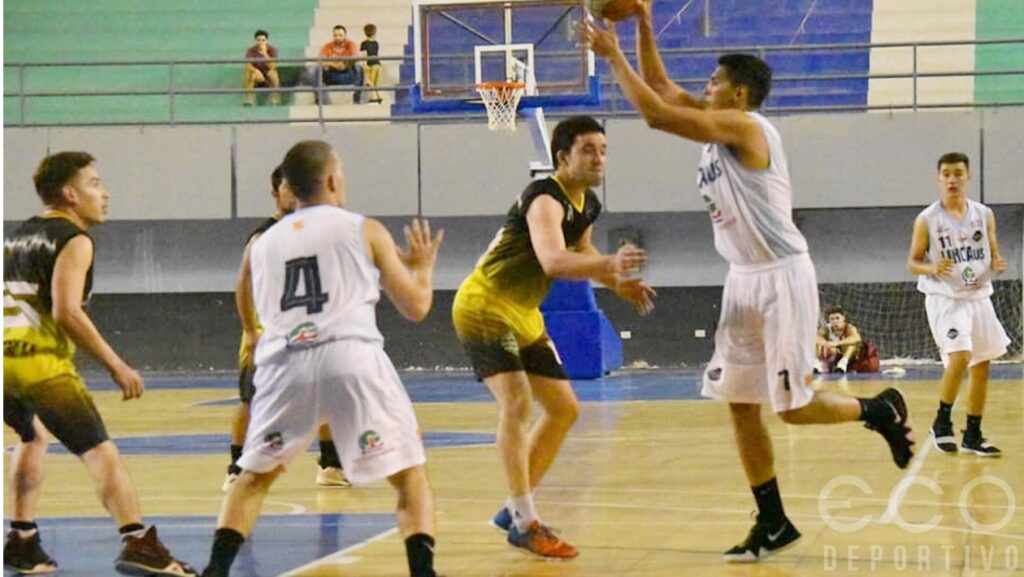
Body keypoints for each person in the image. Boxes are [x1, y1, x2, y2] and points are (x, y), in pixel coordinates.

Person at [582, 6, 915, 563]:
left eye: (714, 80)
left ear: (739, 93)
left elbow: (656, 116)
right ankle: (773, 520)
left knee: (790, 408)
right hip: (742, 278)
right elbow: (661, 88)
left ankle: (877, 409)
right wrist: (641, 19)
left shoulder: (747, 127)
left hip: (782, 276)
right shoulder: (718, 122)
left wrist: (612, 55)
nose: (705, 86)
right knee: (739, 403)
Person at [200, 140, 444, 577]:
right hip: (351, 356)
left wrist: (252, 333)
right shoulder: (364, 229)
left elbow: (248, 287)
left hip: (285, 361)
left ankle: (215, 571)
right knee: (410, 476)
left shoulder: (261, 243)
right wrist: (422, 268)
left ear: (290, 188)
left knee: (251, 479)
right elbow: (416, 307)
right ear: (332, 180)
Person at [452, 115, 656, 560]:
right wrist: (610, 265)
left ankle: (514, 505)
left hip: (524, 313)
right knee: (517, 403)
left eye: (603, 150)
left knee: (564, 409)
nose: (599, 158)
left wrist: (617, 282)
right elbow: (554, 261)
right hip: (485, 305)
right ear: (562, 157)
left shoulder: (588, 204)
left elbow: (581, 251)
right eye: (588, 150)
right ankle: (525, 522)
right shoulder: (545, 197)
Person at [3, 152, 196, 576]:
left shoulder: (16, 236)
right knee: (100, 451)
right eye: (94, 183)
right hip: (41, 365)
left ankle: (21, 540)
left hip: (4, 360)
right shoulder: (75, 240)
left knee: (32, 437)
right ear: (70, 194)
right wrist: (116, 364)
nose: (104, 193)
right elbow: (67, 311)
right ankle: (137, 541)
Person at [222, 165, 350, 493]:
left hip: (307, 328)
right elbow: (243, 284)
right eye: (287, 188)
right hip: (268, 331)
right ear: (275, 192)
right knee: (251, 399)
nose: (294, 194)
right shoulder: (263, 236)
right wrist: (250, 330)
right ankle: (236, 467)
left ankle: (331, 464)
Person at [908, 152, 1010, 457]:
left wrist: (997, 261)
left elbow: (993, 251)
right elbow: (912, 262)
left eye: (958, 173)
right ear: (939, 178)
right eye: (946, 174)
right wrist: (932, 267)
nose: (952, 179)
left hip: (978, 296)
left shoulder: (984, 214)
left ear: (968, 176)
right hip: (946, 299)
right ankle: (941, 421)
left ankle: (973, 435)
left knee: (982, 364)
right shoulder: (927, 219)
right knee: (961, 355)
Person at [318, 25, 364, 104]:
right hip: (332, 75)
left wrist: (344, 64)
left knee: (359, 68)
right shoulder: (327, 46)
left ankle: (356, 99)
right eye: (335, 35)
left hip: (348, 74)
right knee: (317, 70)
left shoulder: (351, 45)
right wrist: (334, 65)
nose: (338, 37)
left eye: (340, 35)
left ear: (345, 35)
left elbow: (355, 58)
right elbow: (321, 60)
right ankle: (320, 99)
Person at [815, 304, 861, 373]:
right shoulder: (826, 330)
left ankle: (843, 364)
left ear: (843, 318)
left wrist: (836, 343)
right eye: (832, 319)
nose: (835, 321)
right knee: (818, 342)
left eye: (837, 318)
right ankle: (816, 363)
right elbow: (815, 338)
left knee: (852, 344)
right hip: (832, 357)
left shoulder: (849, 328)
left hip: (848, 358)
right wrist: (826, 344)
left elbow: (857, 338)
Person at [243, 29, 281, 106]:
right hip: (256, 73)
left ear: (267, 40)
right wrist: (255, 71)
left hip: (267, 72)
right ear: (255, 41)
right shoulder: (251, 50)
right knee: (249, 74)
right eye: (258, 40)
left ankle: (275, 97)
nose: (261, 42)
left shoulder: (272, 50)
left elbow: (273, 66)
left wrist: (265, 54)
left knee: (274, 74)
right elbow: (247, 65)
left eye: (263, 40)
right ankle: (249, 99)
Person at [361, 24, 383, 104]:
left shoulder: (364, 44)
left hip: (371, 64)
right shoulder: (376, 43)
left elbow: (364, 54)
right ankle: (378, 96)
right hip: (377, 63)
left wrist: (365, 65)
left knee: (371, 82)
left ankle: (374, 97)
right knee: (376, 83)